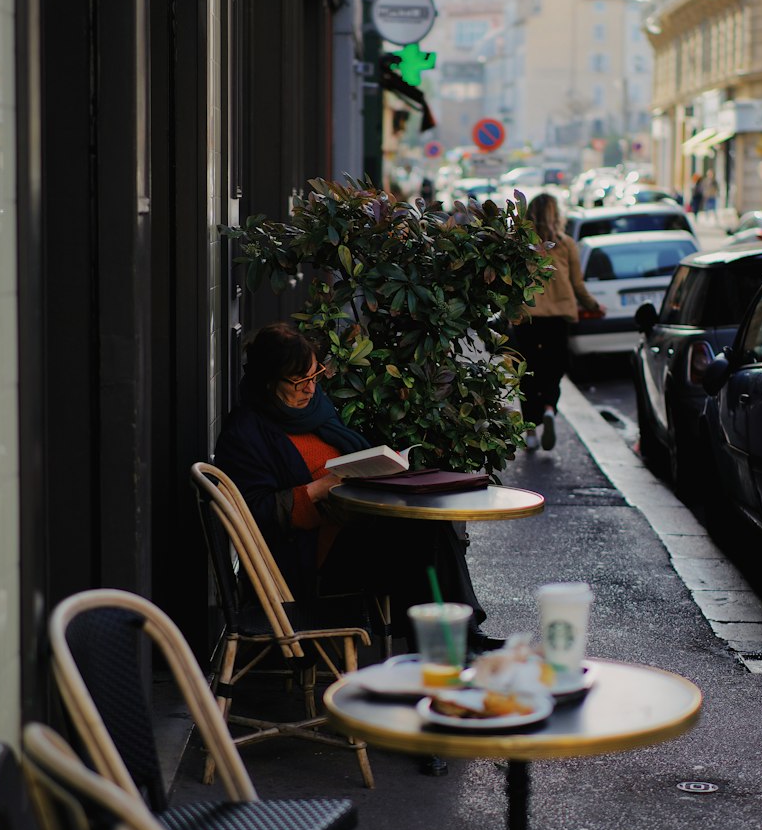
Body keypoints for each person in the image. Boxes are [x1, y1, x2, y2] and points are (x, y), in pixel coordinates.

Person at [213, 323, 499, 651]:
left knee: (428, 527)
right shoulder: (246, 434)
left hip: (350, 529)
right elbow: (255, 513)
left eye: (314, 375)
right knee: (421, 542)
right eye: (299, 381)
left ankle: (455, 639)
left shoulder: (315, 410)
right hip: (308, 558)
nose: (310, 389)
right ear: (268, 382)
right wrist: (319, 489)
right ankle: (452, 642)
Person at [510, 193, 605, 452]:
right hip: (558, 318)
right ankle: (550, 408)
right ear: (556, 214)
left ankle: (530, 431)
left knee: (527, 371)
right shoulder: (566, 244)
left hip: (527, 316)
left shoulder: (519, 244)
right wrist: (594, 306)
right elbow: (578, 286)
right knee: (554, 368)